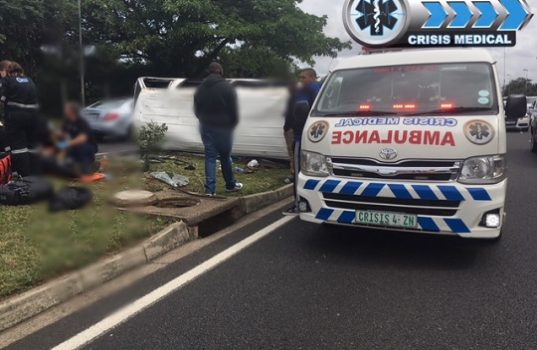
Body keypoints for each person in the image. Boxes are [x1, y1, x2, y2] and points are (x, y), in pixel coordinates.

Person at [194, 62, 243, 196]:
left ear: (209, 72)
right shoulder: (227, 87)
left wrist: (203, 120)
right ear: (220, 71)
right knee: (225, 156)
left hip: (206, 126)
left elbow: (196, 110)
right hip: (223, 127)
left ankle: (210, 190)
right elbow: (234, 112)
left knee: (210, 157)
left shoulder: (201, 88)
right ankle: (230, 185)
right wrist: (231, 125)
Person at [283, 68, 322, 216]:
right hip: (311, 137)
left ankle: (299, 204)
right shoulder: (316, 90)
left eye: (303, 77)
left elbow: (300, 110)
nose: (301, 80)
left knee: (298, 172)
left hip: (302, 136)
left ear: (312, 77)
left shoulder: (312, 90)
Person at [0, 61, 41, 176]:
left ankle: (23, 176)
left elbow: (1, 98)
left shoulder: (7, 81)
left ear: (7, 72)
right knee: (32, 146)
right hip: (34, 117)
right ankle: (35, 174)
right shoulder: (30, 81)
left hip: (16, 118)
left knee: (19, 148)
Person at [58, 101, 98, 174]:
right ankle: (70, 167)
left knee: (81, 147)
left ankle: (89, 167)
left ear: (72, 111)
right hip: (74, 145)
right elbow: (62, 133)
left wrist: (67, 143)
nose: (64, 110)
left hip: (88, 146)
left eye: (66, 109)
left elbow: (83, 138)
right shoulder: (67, 121)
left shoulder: (81, 122)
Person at [283, 78, 298, 183]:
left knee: (292, 152)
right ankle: (294, 172)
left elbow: (291, 115)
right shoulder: (295, 97)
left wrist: (287, 127)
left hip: (291, 129)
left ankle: (294, 173)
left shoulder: (293, 98)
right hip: (292, 128)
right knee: (293, 152)